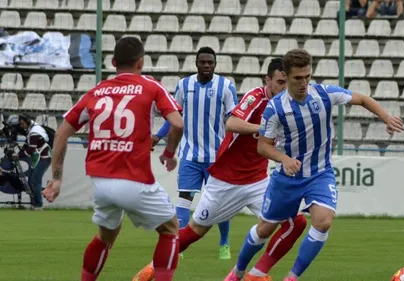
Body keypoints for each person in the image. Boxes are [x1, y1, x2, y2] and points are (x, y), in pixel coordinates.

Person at [224, 49, 404, 281]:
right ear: (287, 77)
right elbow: (263, 146)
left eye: (307, 76)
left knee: (323, 222)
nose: (303, 83)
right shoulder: (275, 108)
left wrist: (386, 117)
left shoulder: (324, 94)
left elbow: (362, 99)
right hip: (287, 177)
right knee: (265, 229)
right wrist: (284, 159)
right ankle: (238, 272)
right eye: (298, 78)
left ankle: (291, 278)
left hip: (320, 173)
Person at [132, 58, 307, 281]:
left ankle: (256, 273)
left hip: (258, 182)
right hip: (226, 181)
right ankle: (152, 268)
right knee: (195, 232)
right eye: (280, 82)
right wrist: (266, 128)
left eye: (288, 82)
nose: (285, 88)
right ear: (268, 80)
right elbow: (231, 123)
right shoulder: (255, 97)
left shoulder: (290, 103)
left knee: (296, 222)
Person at [42, 36, 184, 281]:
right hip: (135, 180)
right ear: (140, 62)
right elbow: (178, 124)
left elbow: (62, 133)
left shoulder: (96, 92)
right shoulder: (150, 86)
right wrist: (169, 153)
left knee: (106, 237)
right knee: (171, 229)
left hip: (101, 182)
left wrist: (56, 179)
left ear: (113, 61)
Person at [171, 46, 238, 260]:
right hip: (190, 155)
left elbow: (234, 120)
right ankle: (179, 246)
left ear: (215, 64)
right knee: (184, 198)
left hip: (216, 158)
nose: (207, 65)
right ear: (196, 63)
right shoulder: (184, 85)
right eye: (203, 62)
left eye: (210, 62)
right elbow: (174, 115)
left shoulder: (226, 86)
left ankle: (224, 243)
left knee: (220, 204)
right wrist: (158, 136)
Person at [13, 114, 52, 210]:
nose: (21, 126)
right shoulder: (34, 129)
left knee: (35, 180)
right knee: (31, 181)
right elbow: (28, 147)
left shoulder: (34, 132)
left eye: (22, 124)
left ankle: (38, 205)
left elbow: (31, 149)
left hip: (44, 158)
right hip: (39, 158)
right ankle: (35, 203)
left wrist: (19, 155)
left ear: (27, 122)